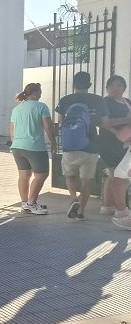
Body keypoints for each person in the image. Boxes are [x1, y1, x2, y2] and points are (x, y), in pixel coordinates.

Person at [55, 71, 109, 221]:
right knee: (87, 179)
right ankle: (81, 212)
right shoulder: (98, 100)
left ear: (74, 84)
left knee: (70, 175)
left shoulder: (65, 100)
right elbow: (105, 123)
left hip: (70, 145)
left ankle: (74, 198)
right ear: (89, 84)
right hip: (91, 145)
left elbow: (61, 122)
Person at [9, 83, 56, 215]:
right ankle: (31, 204)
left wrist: (15, 142)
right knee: (41, 175)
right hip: (34, 147)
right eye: (40, 92)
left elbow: (12, 128)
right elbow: (48, 127)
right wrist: (53, 143)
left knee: (24, 176)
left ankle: (24, 203)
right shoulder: (41, 106)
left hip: (17, 146)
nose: (41, 94)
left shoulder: (16, 109)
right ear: (35, 93)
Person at [96, 75, 131, 228]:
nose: (116, 88)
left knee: (113, 175)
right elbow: (103, 123)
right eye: (112, 85)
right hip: (109, 143)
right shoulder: (103, 102)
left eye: (119, 85)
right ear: (107, 88)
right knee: (119, 176)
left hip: (125, 143)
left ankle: (107, 206)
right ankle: (121, 210)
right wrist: (124, 121)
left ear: (124, 87)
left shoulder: (127, 102)